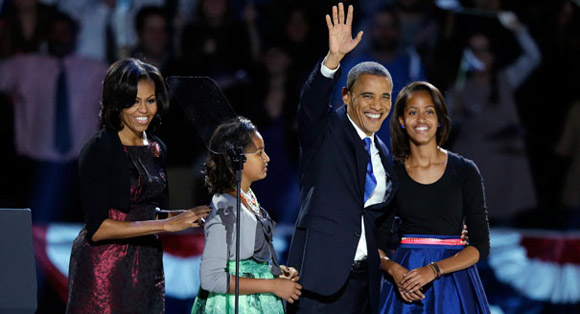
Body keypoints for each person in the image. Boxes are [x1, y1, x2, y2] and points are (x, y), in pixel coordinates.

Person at [66, 58, 210, 314]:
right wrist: (166, 224)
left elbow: (150, 211)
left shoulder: (156, 148)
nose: (143, 109)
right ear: (117, 102)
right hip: (106, 268)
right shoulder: (99, 150)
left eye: (150, 100)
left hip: (146, 265)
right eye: (133, 101)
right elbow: (98, 229)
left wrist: (188, 217)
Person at [286, 3, 398, 313]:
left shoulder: (383, 154)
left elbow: (382, 222)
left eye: (385, 96)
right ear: (346, 96)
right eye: (367, 95)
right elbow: (310, 107)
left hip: (365, 285)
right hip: (320, 281)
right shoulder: (325, 131)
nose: (378, 105)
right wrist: (333, 60)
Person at [377, 81, 490, 313]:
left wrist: (434, 269)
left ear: (439, 118)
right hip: (406, 283)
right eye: (412, 112)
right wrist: (394, 270)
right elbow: (374, 243)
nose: (421, 119)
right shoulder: (390, 174)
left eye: (429, 111)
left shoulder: (465, 171)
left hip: (454, 283)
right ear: (401, 120)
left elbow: (480, 245)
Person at [191, 116, 302, 313]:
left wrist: (274, 273)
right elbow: (211, 278)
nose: (267, 158)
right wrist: (272, 285)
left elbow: (244, 265)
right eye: (259, 153)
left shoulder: (247, 197)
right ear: (237, 159)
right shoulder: (226, 209)